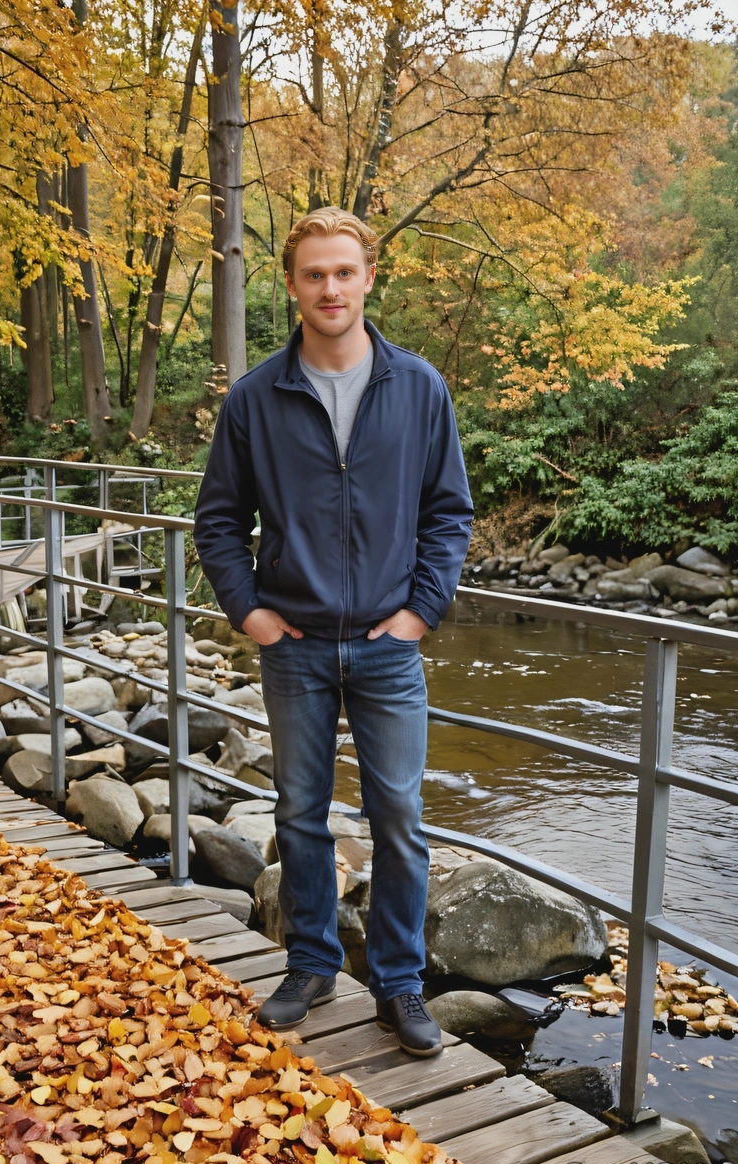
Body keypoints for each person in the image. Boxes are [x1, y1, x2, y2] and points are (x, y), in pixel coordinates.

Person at [193, 207, 473, 1056]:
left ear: (368, 278)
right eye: (314, 274)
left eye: (343, 272)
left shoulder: (418, 386)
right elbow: (216, 522)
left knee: (399, 817)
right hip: (297, 647)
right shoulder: (256, 399)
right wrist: (252, 614)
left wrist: (420, 612)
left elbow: (448, 514)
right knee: (302, 813)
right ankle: (310, 965)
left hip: (389, 649)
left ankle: (399, 983)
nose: (330, 288)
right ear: (291, 284)